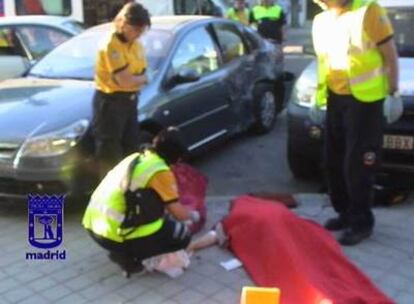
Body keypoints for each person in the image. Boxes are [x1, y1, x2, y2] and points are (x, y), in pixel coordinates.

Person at [311, 0, 400, 245]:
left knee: (358, 165)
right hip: (335, 98)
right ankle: (345, 213)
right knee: (333, 160)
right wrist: (318, 99)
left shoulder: (368, 11)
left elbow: (390, 53)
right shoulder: (322, 20)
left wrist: (393, 91)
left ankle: (361, 222)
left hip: (365, 101)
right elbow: (324, 62)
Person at [82, 127, 201, 277]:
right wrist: (194, 215)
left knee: (156, 211)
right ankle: (130, 256)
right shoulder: (160, 171)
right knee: (181, 235)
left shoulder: (135, 158)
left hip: (93, 226)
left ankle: (123, 252)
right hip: (115, 234)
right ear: (175, 156)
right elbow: (179, 214)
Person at [92, 2, 150, 179]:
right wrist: (142, 79)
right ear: (124, 24)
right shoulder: (112, 44)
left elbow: (139, 75)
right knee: (111, 155)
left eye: (142, 30)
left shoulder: (136, 44)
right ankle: (109, 197)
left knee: (131, 150)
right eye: (136, 29)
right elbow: (125, 81)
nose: (139, 34)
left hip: (130, 101)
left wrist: (138, 79)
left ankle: (129, 194)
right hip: (110, 103)